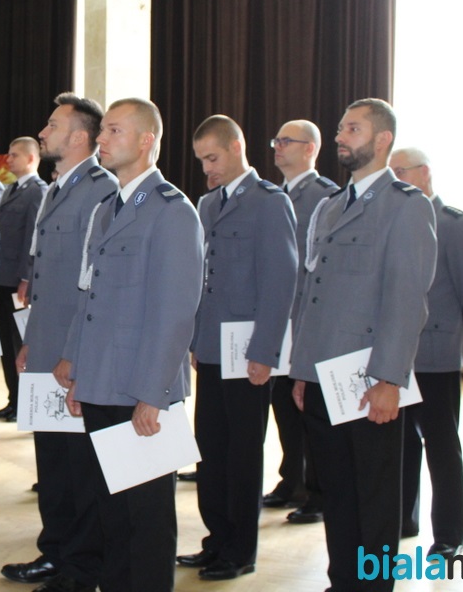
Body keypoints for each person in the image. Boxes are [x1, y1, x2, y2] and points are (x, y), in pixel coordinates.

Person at [289, 98, 436, 592]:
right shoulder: (332, 207)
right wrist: (302, 373)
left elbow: (406, 300)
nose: (340, 137)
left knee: (374, 496)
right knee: (336, 490)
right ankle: (344, 581)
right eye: (339, 129)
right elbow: (311, 295)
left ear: (382, 139)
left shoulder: (405, 206)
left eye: (352, 128)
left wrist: (390, 379)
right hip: (324, 378)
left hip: (370, 380)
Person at [59, 98, 203, 592]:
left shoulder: (172, 211)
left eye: (113, 131)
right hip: (102, 382)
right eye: (102, 130)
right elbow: (91, 296)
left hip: (141, 388)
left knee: (146, 520)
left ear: (146, 140)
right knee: (112, 513)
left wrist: (153, 394)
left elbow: (175, 313)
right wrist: (79, 371)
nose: (101, 139)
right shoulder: (107, 209)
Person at [2, 92, 117, 592]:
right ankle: (55, 551)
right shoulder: (57, 189)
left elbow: (93, 285)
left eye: (52, 125)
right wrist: (32, 340)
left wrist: (72, 352)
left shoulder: (101, 190)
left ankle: (82, 568)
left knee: (80, 466)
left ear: (79, 137)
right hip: (47, 346)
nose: (43, 132)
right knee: (52, 461)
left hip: (76, 353)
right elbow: (46, 278)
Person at [179, 115, 297, 581]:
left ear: (236, 147)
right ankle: (216, 539)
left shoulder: (269, 202)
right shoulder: (208, 204)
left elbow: (280, 282)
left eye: (212, 158)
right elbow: (200, 278)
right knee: (210, 447)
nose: (207, 169)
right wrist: (195, 340)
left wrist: (265, 352)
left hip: (248, 352)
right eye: (201, 161)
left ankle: (240, 549)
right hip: (212, 346)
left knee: (243, 452)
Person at [389, 147, 463, 560]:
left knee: (442, 446)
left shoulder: (454, 225)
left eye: (401, 171)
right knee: (399, 443)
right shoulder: (393, 220)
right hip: (396, 355)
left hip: (436, 354)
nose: (395, 179)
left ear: (425, 173)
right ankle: (402, 518)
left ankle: (449, 534)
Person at [265, 120, 339, 524]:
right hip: (279, 319)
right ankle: (291, 479)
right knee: (283, 405)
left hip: (306, 319)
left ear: (310, 148)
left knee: (309, 408)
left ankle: (319, 491)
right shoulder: (274, 195)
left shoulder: (326, 196)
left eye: (286, 141)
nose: (278, 147)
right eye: (276, 141)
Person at [0, 137, 48, 421]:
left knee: (16, 344)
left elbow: (32, 239)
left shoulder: (37, 191)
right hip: (2, 278)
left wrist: (27, 277)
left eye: (15, 155)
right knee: (5, 342)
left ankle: (23, 402)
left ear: (31, 158)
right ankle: (13, 398)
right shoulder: (10, 189)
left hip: (17, 282)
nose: (9, 160)